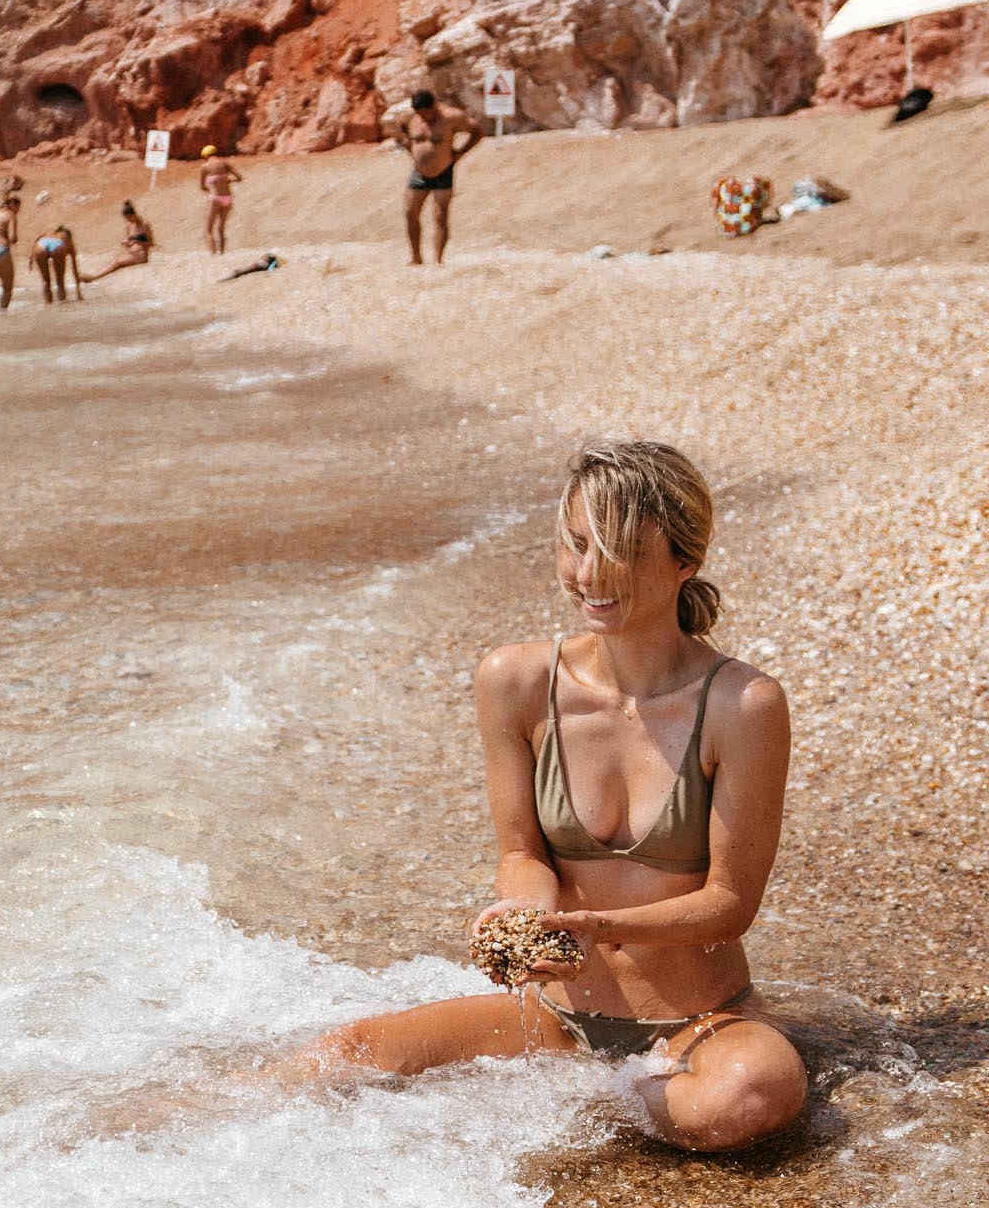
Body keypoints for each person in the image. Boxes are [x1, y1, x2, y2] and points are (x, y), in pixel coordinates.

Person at [289, 441, 806, 1154]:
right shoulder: (515, 680)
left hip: (701, 1022)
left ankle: (597, 1100)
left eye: (618, 551)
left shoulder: (743, 704)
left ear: (685, 560)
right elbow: (521, 852)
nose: (588, 575)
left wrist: (594, 927)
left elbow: (730, 903)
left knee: (753, 1095)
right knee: (345, 1054)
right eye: (575, 545)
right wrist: (523, 913)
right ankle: (139, 1127)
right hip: (554, 1018)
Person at [393, 87, 479, 265]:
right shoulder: (410, 118)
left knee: (440, 215)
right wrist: (409, 146)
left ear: (434, 107)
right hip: (419, 172)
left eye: (427, 113)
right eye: (420, 114)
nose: (424, 118)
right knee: (410, 212)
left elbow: (477, 131)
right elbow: (399, 129)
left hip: (443, 170)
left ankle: (438, 260)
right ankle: (416, 258)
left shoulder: (451, 117)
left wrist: (460, 152)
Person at [80, 199, 154, 282]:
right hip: (131, 254)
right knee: (113, 261)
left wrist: (138, 242)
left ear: (133, 214)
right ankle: (93, 274)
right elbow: (128, 241)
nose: (128, 221)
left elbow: (152, 243)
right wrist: (127, 244)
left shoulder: (144, 224)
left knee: (116, 262)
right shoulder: (129, 225)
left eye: (129, 218)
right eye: (127, 219)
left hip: (141, 256)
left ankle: (94, 277)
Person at [198, 147, 243, 255]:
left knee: (208, 229)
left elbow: (202, 187)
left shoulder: (205, 167)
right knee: (221, 227)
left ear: (205, 156)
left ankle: (212, 254)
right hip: (228, 198)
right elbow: (239, 177)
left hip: (215, 197)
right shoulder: (225, 164)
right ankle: (222, 253)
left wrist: (211, 187)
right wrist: (228, 181)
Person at [31, 221, 84, 302]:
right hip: (57, 245)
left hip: (40, 245)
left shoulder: (47, 233)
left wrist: (31, 259)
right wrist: (78, 292)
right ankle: (62, 307)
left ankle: (48, 308)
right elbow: (74, 269)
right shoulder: (67, 239)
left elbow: (36, 241)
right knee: (60, 282)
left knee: (45, 281)